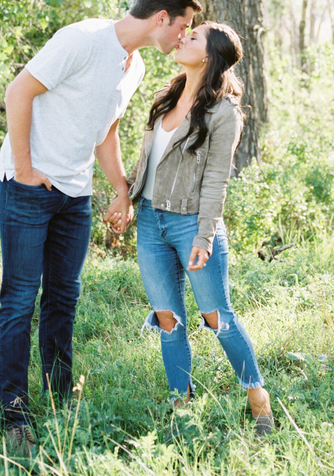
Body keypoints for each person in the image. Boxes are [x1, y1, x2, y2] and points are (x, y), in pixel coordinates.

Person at [0, 0, 202, 453]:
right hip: (26, 188)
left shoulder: (136, 66)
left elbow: (104, 130)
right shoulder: (83, 39)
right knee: (21, 299)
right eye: (184, 26)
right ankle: (15, 414)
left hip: (73, 195)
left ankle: (60, 396)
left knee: (64, 297)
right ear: (161, 18)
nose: (185, 37)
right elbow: (18, 91)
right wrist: (25, 169)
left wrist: (121, 190)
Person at [107, 21, 274, 436]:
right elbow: (149, 161)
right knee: (168, 320)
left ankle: (258, 400)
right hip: (151, 222)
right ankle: (182, 408)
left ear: (210, 56)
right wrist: (126, 195)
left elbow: (217, 180)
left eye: (194, 36)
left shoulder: (224, 112)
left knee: (217, 317)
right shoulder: (165, 97)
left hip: (193, 226)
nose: (183, 37)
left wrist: (204, 235)